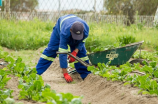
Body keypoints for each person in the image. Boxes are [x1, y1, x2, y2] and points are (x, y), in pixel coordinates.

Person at [36, 14, 91, 83]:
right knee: (51, 50)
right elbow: (63, 53)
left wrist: (75, 51)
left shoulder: (85, 29)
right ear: (71, 30)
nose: (76, 39)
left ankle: (86, 76)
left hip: (73, 27)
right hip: (59, 29)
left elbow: (82, 41)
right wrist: (65, 73)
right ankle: (36, 73)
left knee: (81, 53)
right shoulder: (65, 32)